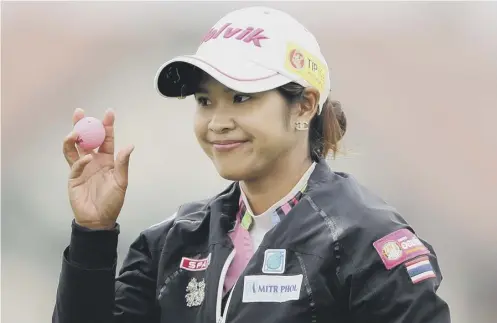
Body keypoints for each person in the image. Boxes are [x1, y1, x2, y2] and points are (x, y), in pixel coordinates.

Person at [53, 6, 451, 323]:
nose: (218, 122)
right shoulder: (172, 242)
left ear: (305, 105)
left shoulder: (370, 243)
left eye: (241, 97)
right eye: (205, 101)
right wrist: (93, 233)